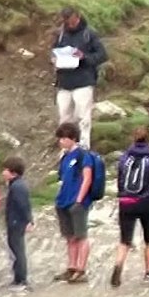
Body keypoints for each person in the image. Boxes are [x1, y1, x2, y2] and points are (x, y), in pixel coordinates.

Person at [111, 126, 149, 287]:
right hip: (145, 202)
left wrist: (121, 197)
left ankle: (118, 265)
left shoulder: (124, 158)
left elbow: (120, 181)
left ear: (133, 138)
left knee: (124, 240)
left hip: (126, 202)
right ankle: (148, 274)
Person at [53, 6, 108, 149]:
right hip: (64, 82)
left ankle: (83, 147)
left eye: (72, 21)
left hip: (83, 81)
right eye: (67, 22)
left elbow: (102, 55)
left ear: (77, 17)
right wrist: (55, 60)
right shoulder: (60, 34)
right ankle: (66, 149)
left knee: (83, 117)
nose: (70, 25)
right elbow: (54, 51)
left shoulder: (89, 34)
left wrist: (84, 57)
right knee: (64, 117)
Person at [54, 121, 95, 284]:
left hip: (77, 202)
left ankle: (81, 269)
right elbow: (62, 179)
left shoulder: (83, 155)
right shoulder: (65, 157)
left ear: (72, 138)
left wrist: (79, 199)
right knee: (70, 237)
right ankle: (71, 267)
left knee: (81, 236)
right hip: (63, 201)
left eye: (63, 138)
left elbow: (87, 178)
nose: (61, 141)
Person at [2, 155, 32, 292]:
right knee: (15, 249)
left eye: (5, 170)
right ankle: (18, 278)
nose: (3, 172)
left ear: (13, 172)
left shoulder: (17, 187)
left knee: (17, 251)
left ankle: (21, 279)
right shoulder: (17, 184)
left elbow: (23, 205)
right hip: (15, 221)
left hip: (16, 222)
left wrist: (29, 220)